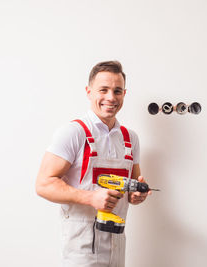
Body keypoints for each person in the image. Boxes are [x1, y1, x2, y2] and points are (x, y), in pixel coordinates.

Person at [35, 60, 150, 267]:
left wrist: (136, 195)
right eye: (103, 90)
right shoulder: (73, 132)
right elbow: (43, 184)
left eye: (117, 91)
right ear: (89, 92)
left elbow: (132, 188)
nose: (110, 97)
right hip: (81, 250)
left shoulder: (130, 139)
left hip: (117, 246)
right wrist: (90, 198)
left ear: (124, 94)